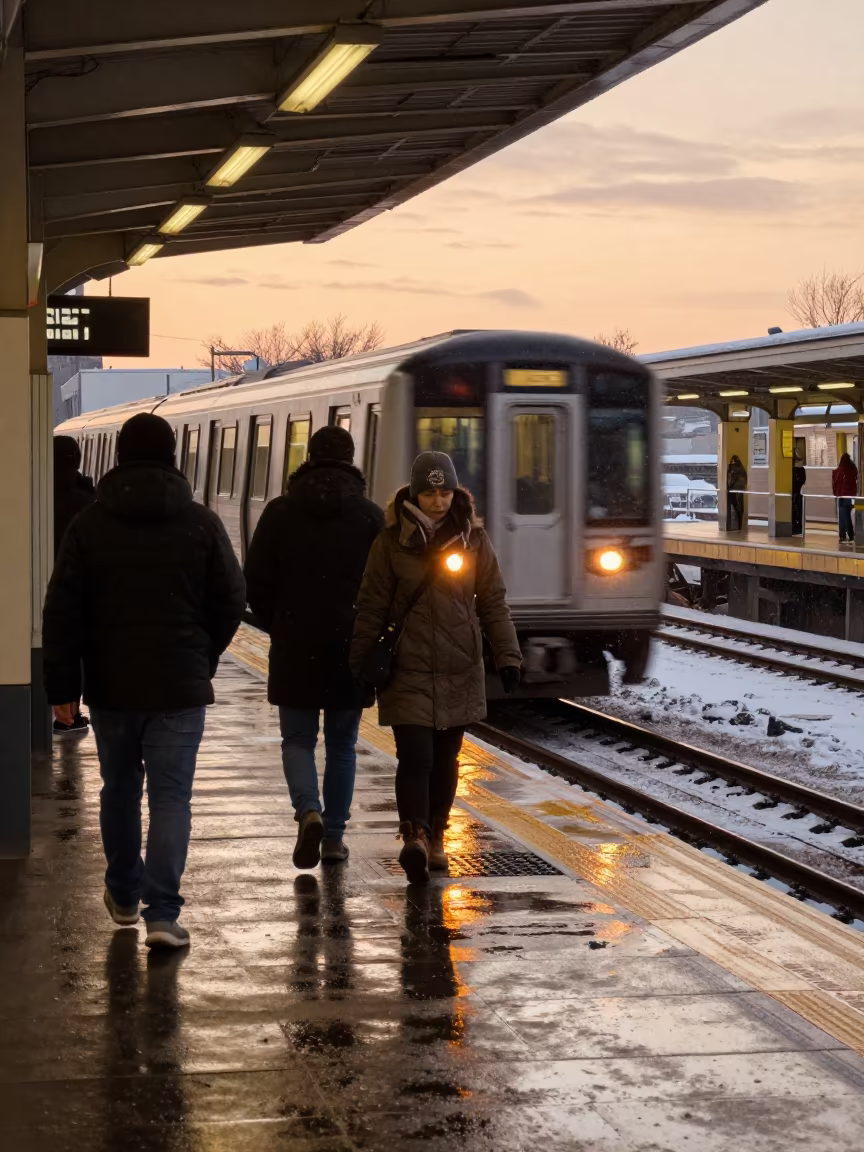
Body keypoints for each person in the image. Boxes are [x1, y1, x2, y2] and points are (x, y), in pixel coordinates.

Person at [42, 413, 246, 949]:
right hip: (179, 685)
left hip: (112, 686)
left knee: (120, 789)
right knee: (172, 797)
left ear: (119, 457)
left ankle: (124, 895)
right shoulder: (201, 522)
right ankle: (163, 915)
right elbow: (232, 599)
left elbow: (62, 610)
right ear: (173, 455)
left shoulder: (89, 524)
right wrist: (202, 654)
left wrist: (62, 689)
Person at [351, 451, 522, 885]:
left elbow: (493, 602)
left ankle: (438, 835)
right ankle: (415, 835)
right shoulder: (390, 542)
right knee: (415, 755)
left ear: (454, 492)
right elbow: (371, 606)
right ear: (414, 494)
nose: (438, 501)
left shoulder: (473, 540)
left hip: (458, 666)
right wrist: (361, 664)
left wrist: (508, 656)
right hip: (406, 666)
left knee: (446, 758)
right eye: (429, 493)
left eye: (445, 492)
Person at [244, 426, 384, 869]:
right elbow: (385, 588)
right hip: (351, 646)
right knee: (342, 746)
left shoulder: (280, 513)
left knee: (297, 740)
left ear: (309, 456)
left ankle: (309, 811)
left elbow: (255, 581)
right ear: (351, 459)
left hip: (295, 644)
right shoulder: (370, 517)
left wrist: (280, 624)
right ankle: (334, 838)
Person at [52, 436, 96, 737]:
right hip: (81, 587)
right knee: (77, 651)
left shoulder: (35, 491)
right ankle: (71, 713)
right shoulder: (88, 500)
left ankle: (60, 710)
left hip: (44, 582)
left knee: (54, 648)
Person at [833, 451, 858, 543]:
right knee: (848, 515)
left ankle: (842, 536)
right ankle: (851, 535)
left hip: (841, 497)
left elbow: (834, 484)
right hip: (852, 497)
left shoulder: (837, 471)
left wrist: (835, 494)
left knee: (842, 516)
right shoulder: (853, 469)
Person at [726, 455, 747, 531]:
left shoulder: (732, 468)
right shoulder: (742, 468)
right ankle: (740, 525)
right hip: (740, 491)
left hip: (733, 491)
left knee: (734, 506)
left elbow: (731, 480)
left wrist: (729, 487)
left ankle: (734, 525)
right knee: (739, 507)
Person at [792, 455, 806, 536]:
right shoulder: (802, 469)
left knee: (794, 507)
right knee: (800, 507)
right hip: (799, 491)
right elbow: (804, 479)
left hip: (793, 490)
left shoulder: (792, 469)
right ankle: (799, 522)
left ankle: (794, 521)